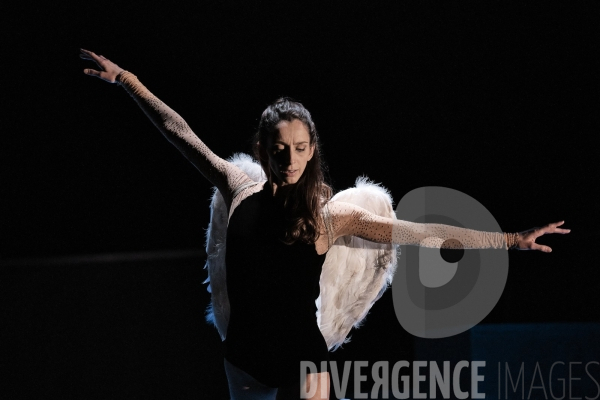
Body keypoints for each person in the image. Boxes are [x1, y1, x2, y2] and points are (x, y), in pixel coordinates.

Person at [80, 48, 570, 400]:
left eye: (298, 149)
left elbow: (420, 234)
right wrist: (126, 80)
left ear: (311, 150)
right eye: (278, 149)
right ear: (263, 150)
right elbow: (179, 133)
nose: (288, 159)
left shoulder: (332, 217)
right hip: (245, 362)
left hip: (304, 363)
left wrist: (511, 240)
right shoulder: (237, 188)